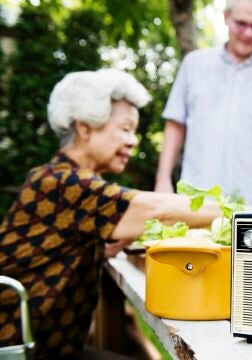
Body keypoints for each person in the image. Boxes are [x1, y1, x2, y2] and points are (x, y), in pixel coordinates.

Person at [0, 69, 221, 358]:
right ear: (84, 128)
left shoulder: (73, 190)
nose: (133, 141)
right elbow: (157, 210)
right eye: (125, 128)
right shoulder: (60, 183)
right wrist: (240, 213)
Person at [155, 0, 252, 207]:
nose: (248, 33)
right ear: (226, 17)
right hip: (199, 199)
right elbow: (175, 124)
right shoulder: (194, 64)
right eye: (241, 23)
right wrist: (163, 181)